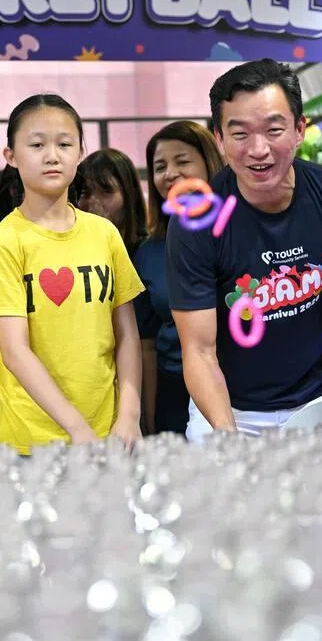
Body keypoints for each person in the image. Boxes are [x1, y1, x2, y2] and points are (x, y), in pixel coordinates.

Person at [168, 59, 322, 441]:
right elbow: (198, 349)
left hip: (321, 402)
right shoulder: (195, 221)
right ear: (219, 138)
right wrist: (226, 433)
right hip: (227, 407)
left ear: (300, 129)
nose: (258, 150)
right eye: (240, 134)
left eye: (274, 129)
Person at [0, 94, 144, 453]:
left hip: (108, 434)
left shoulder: (104, 234)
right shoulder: (4, 242)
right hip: (31, 444)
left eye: (64, 144)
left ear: (80, 151)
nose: (52, 155)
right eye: (36, 144)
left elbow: (126, 333)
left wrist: (129, 414)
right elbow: (14, 351)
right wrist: (76, 427)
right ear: (11, 156)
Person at [133, 121, 223, 435]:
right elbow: (146, 343)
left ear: (209, 162)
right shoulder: (148, 252)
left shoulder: (238, 229)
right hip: (174, 384)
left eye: (182, 161)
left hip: (241, 383)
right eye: (160, 166)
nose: (170, 173)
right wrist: (148, 418)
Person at [77, 148, 148, 257]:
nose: (93, 203)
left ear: (130, 196)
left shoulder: (150, 254)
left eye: (106, 191)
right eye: (85, 192)